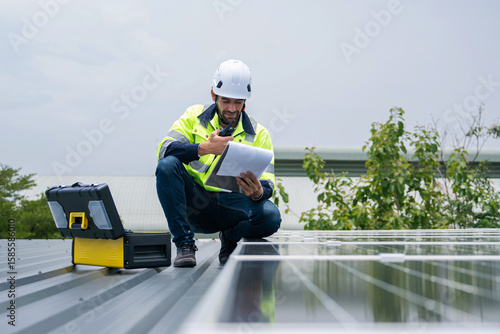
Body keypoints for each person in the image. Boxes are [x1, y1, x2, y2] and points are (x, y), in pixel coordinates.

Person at [155, 59, 281, 267]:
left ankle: (230, 237)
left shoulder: (260, 134)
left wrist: (258, 192)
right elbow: (164, 150)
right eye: (226, 101)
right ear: (214, 95)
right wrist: (204, 148)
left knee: (270, 215)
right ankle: (184, 244)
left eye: (238, 102)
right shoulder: (193, 116)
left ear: (245, 102)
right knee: (167, 166)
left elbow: (268, 182)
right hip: (193, 204)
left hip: (229, 207)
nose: (232, 109)